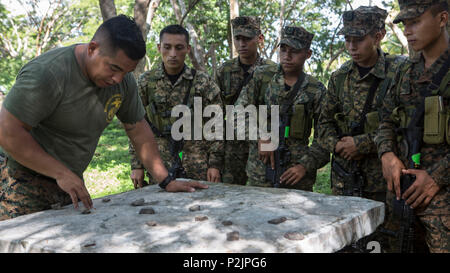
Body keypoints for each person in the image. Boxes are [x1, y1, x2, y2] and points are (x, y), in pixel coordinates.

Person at [0, 15, 207, 221]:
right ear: (92, 48)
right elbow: (7, 131)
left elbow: (137, 129)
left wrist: (165, 180)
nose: (118, 79)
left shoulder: (123, 81)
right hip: (19, 178)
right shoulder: (48, 73)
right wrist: (60, 172)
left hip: (67, 182)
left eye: (126, 72)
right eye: (114, 68)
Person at [317, 6, 408, 252]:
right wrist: (337, 145)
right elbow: (323, 123)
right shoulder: (339, 77)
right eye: (347, 39)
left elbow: (405, 125)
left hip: (381, 186)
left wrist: (363, 144)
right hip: (343, 183)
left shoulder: (400, 71)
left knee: (380, 244)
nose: (351, 47)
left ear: (379, 36)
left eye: (359, 39)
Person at [375, 0, 449, 253]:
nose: (407, 30)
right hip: (401, 197)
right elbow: (384, 119)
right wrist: (387, 154)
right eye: (405, 23)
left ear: (442, 19)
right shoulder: (403, 71)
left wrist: (437, 177)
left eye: (415, 22)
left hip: (443, 206)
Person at [234, 26, 329, 190]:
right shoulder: (262, 77)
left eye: (295, 51)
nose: (287, 56)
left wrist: (304, 166)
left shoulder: (316, 89)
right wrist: (260, 137)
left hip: (297, 177)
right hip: (260, 173)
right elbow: (237, 115)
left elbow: (326, 137)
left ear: (307, 54)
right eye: (283, 50)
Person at [129, 24, 224, 187]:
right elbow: (135, 125)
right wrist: (137, 165)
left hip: (197, 163)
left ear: (187, 49)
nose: (173, 54)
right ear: (159, 47)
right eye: (167, 47)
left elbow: (216, 125)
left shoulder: (203, 82)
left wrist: (215, 164)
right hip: (159, 166)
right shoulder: (146, 82)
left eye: (179, 48)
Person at [215, 16, 276, 185]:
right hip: (231, 147)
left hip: (261, 145)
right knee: (229, 193)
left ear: (259, 38)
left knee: (261, 194)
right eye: (237, 38)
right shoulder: (224, 71)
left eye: (247, 39)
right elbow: (215, 114)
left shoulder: (272, 71)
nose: (241, 44)